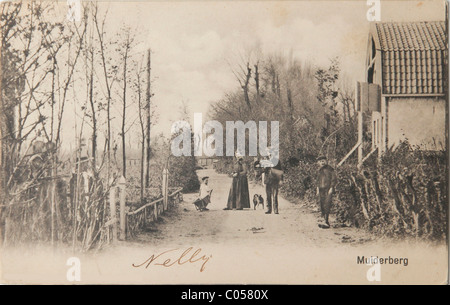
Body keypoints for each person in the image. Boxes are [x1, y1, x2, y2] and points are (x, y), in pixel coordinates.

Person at [316, 155, 337, 228]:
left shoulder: (330, 169)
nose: (322, 162)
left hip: (328, 189)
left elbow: (334, 179)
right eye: (320, 161)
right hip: (321, 189)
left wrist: (332, 188)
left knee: (327, 204)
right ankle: (323, 220)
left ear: (326, 161)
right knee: (322, 204)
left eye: (323, 160)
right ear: (318, 162)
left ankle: (326, 221)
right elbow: (318, 181)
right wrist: (317, 188)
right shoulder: (319, 170)